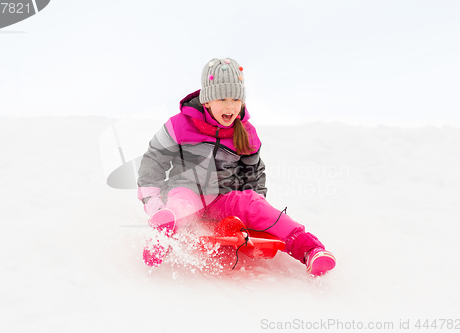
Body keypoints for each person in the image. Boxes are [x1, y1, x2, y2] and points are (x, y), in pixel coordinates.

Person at [137, 58, 336, 275]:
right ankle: (162, 236)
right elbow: (154, 160)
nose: (230, 106)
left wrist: (256, 210)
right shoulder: (180, 124)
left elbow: (253, 172)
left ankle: (308, 249)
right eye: (222, 98)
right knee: (181, 203)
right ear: (207, 101)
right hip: (187, 189)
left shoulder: (246, 132)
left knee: (254, 204)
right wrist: (153, 201)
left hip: (225, 197)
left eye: (236, 98)